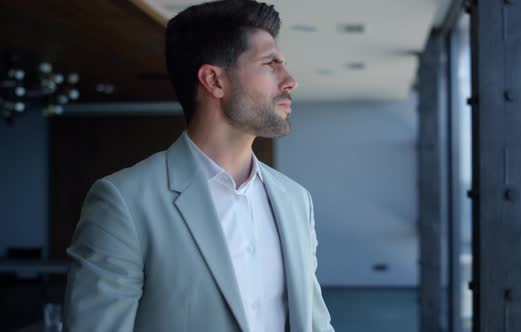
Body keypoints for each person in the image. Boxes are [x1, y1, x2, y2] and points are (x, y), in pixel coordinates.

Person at [63, 1, 334, 331]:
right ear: (214, 81)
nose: (290, 80)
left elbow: (315, 321)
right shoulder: (125, 201)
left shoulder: (295, 200)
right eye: (271, 63)